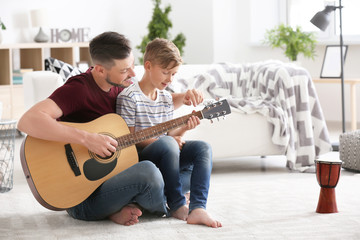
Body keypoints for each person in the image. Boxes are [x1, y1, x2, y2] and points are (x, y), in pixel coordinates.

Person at [17, 32, 203, 226]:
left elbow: (152, 102)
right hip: (82, 197)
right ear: (99, 70)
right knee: (148, 172)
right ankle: (158, 203)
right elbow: (28, 121)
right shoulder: (78, 89)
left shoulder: (123, 85)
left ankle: (121, 206)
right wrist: (87, 139)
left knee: (189, 166)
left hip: (115, 175)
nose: (132, 74)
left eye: (132, 66)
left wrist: (184, 97)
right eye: (125, 70)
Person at [116, 38, 222, 228]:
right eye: (165, 72)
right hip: (142, 159)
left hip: (166, 154)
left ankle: (197, 208)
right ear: (148, 66)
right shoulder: (129, 97)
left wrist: (184, 129)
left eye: (174, 74)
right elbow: (129, 141)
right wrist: (167, 141)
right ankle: (177, 204)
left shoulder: (165, 97)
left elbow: (170, 135)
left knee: (202, 149)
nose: (170, 79)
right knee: (167, 144)